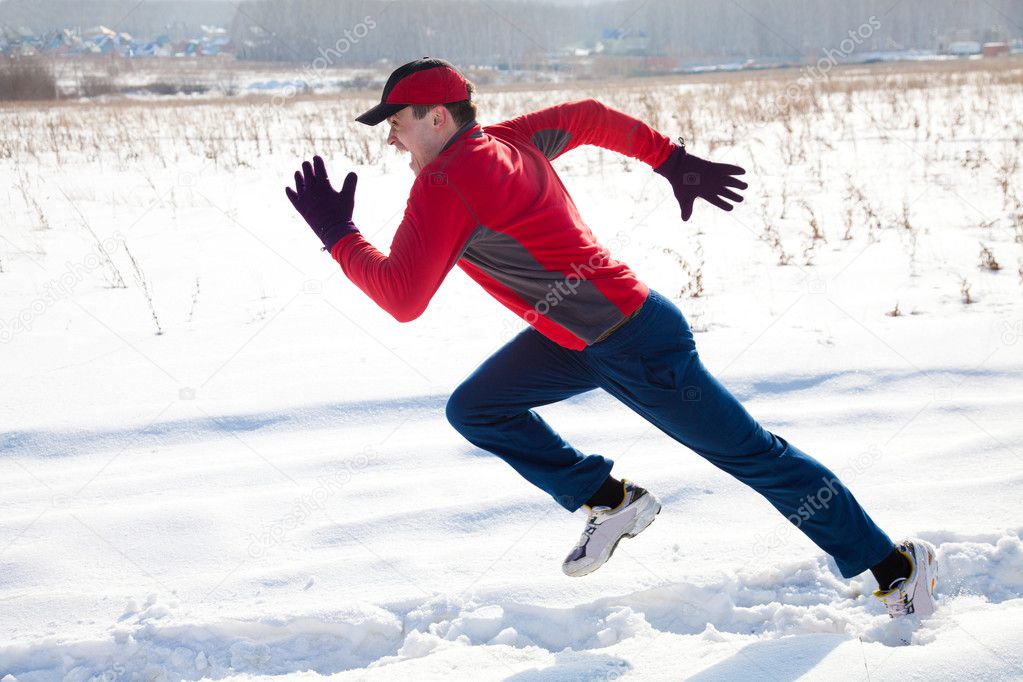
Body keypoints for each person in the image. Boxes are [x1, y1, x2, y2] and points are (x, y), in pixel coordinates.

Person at [285, 57, 937, 618]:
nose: (394, 140)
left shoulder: (446, 185)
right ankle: (611, 501)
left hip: (632, 345)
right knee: (477, 408)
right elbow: (593, 115)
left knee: (752, 456)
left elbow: (402, 297)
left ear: (436, 118)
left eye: (396, 123)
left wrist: (338, 236)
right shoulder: (512, 140)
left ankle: (896, 567)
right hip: (577, 338)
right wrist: (671, 161)